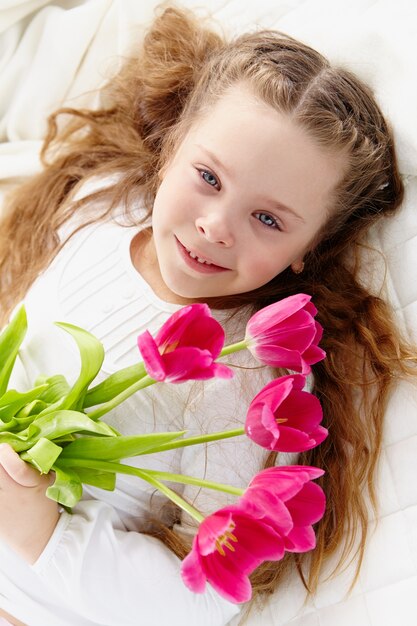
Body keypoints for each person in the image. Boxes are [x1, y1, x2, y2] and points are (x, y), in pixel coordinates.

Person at [0, 5, 415, 626]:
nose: (216, 227)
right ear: (169, 149)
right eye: (208, 177)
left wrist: (40, 532)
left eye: (268, 219)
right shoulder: (95, 211)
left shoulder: (255, 380)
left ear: (309, 252)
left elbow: (198, 603)